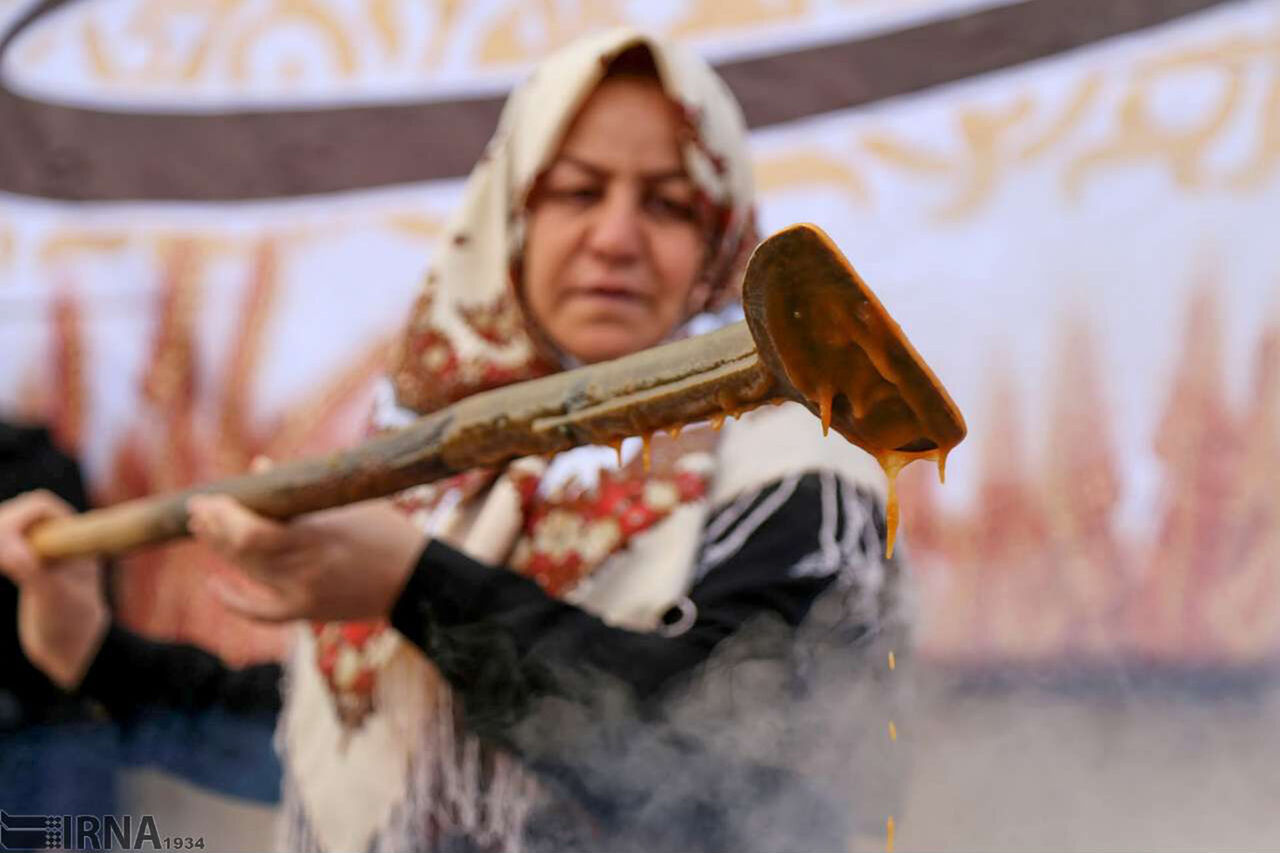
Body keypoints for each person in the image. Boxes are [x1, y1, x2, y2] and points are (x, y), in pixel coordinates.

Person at [0, 29, 908, 853]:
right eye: (576, 191)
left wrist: (414, 585)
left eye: (670, 204)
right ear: (510, 219)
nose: (616, 238)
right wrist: (93, 652)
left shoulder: (799, 475)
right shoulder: (448, 476)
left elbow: (716, 779)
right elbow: (344, 752)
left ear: (719, 236)